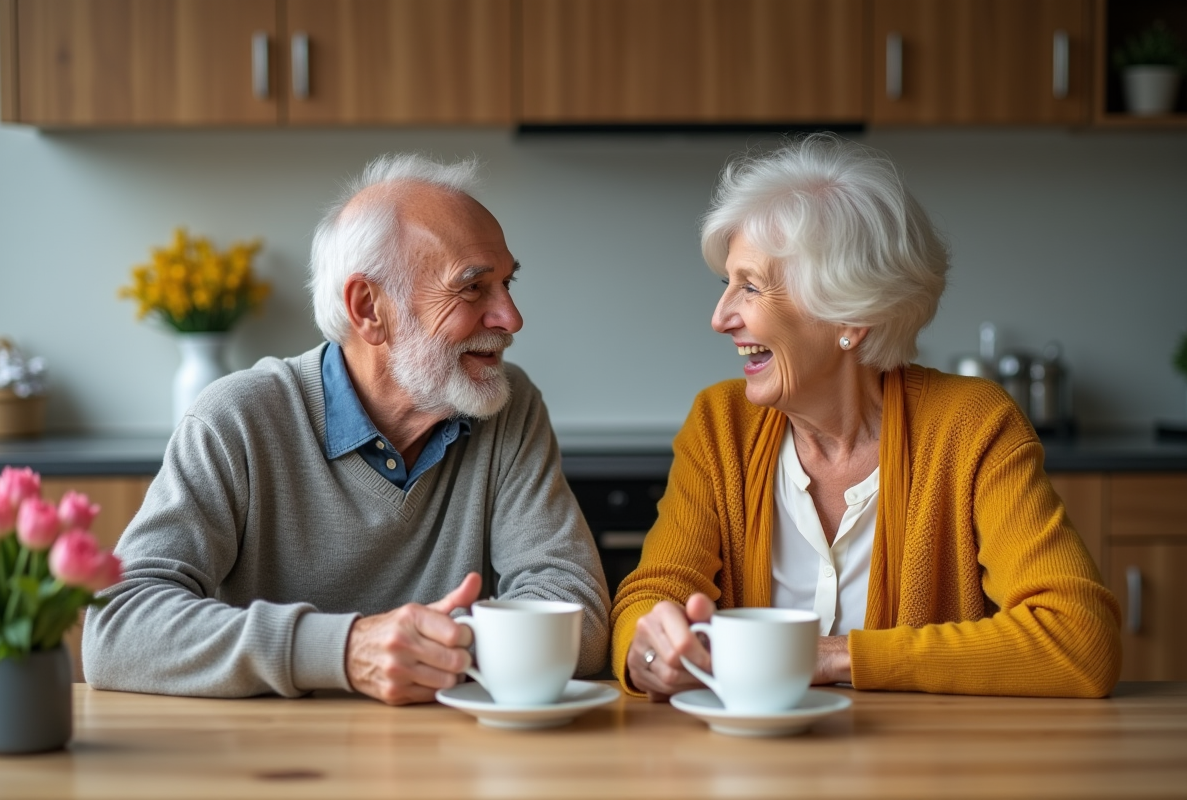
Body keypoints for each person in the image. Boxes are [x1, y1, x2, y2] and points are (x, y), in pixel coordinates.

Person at [84, 154, 610, 705]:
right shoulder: (235, 419)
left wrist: (421, 653)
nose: (511, 316)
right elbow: (117, 628)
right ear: (369, 309)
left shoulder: (509, 407)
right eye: (473, 288)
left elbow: (580, 617)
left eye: (507, 282)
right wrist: (346, 649)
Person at [612, 134, 1120, 700]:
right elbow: (651, 596)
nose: (720, 317)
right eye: (725, 284)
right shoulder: (719, 426)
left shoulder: (972, 428)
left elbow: (1079, 638)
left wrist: (832, 657)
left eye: (750, 287)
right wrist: (648, 650)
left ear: (850, 315)